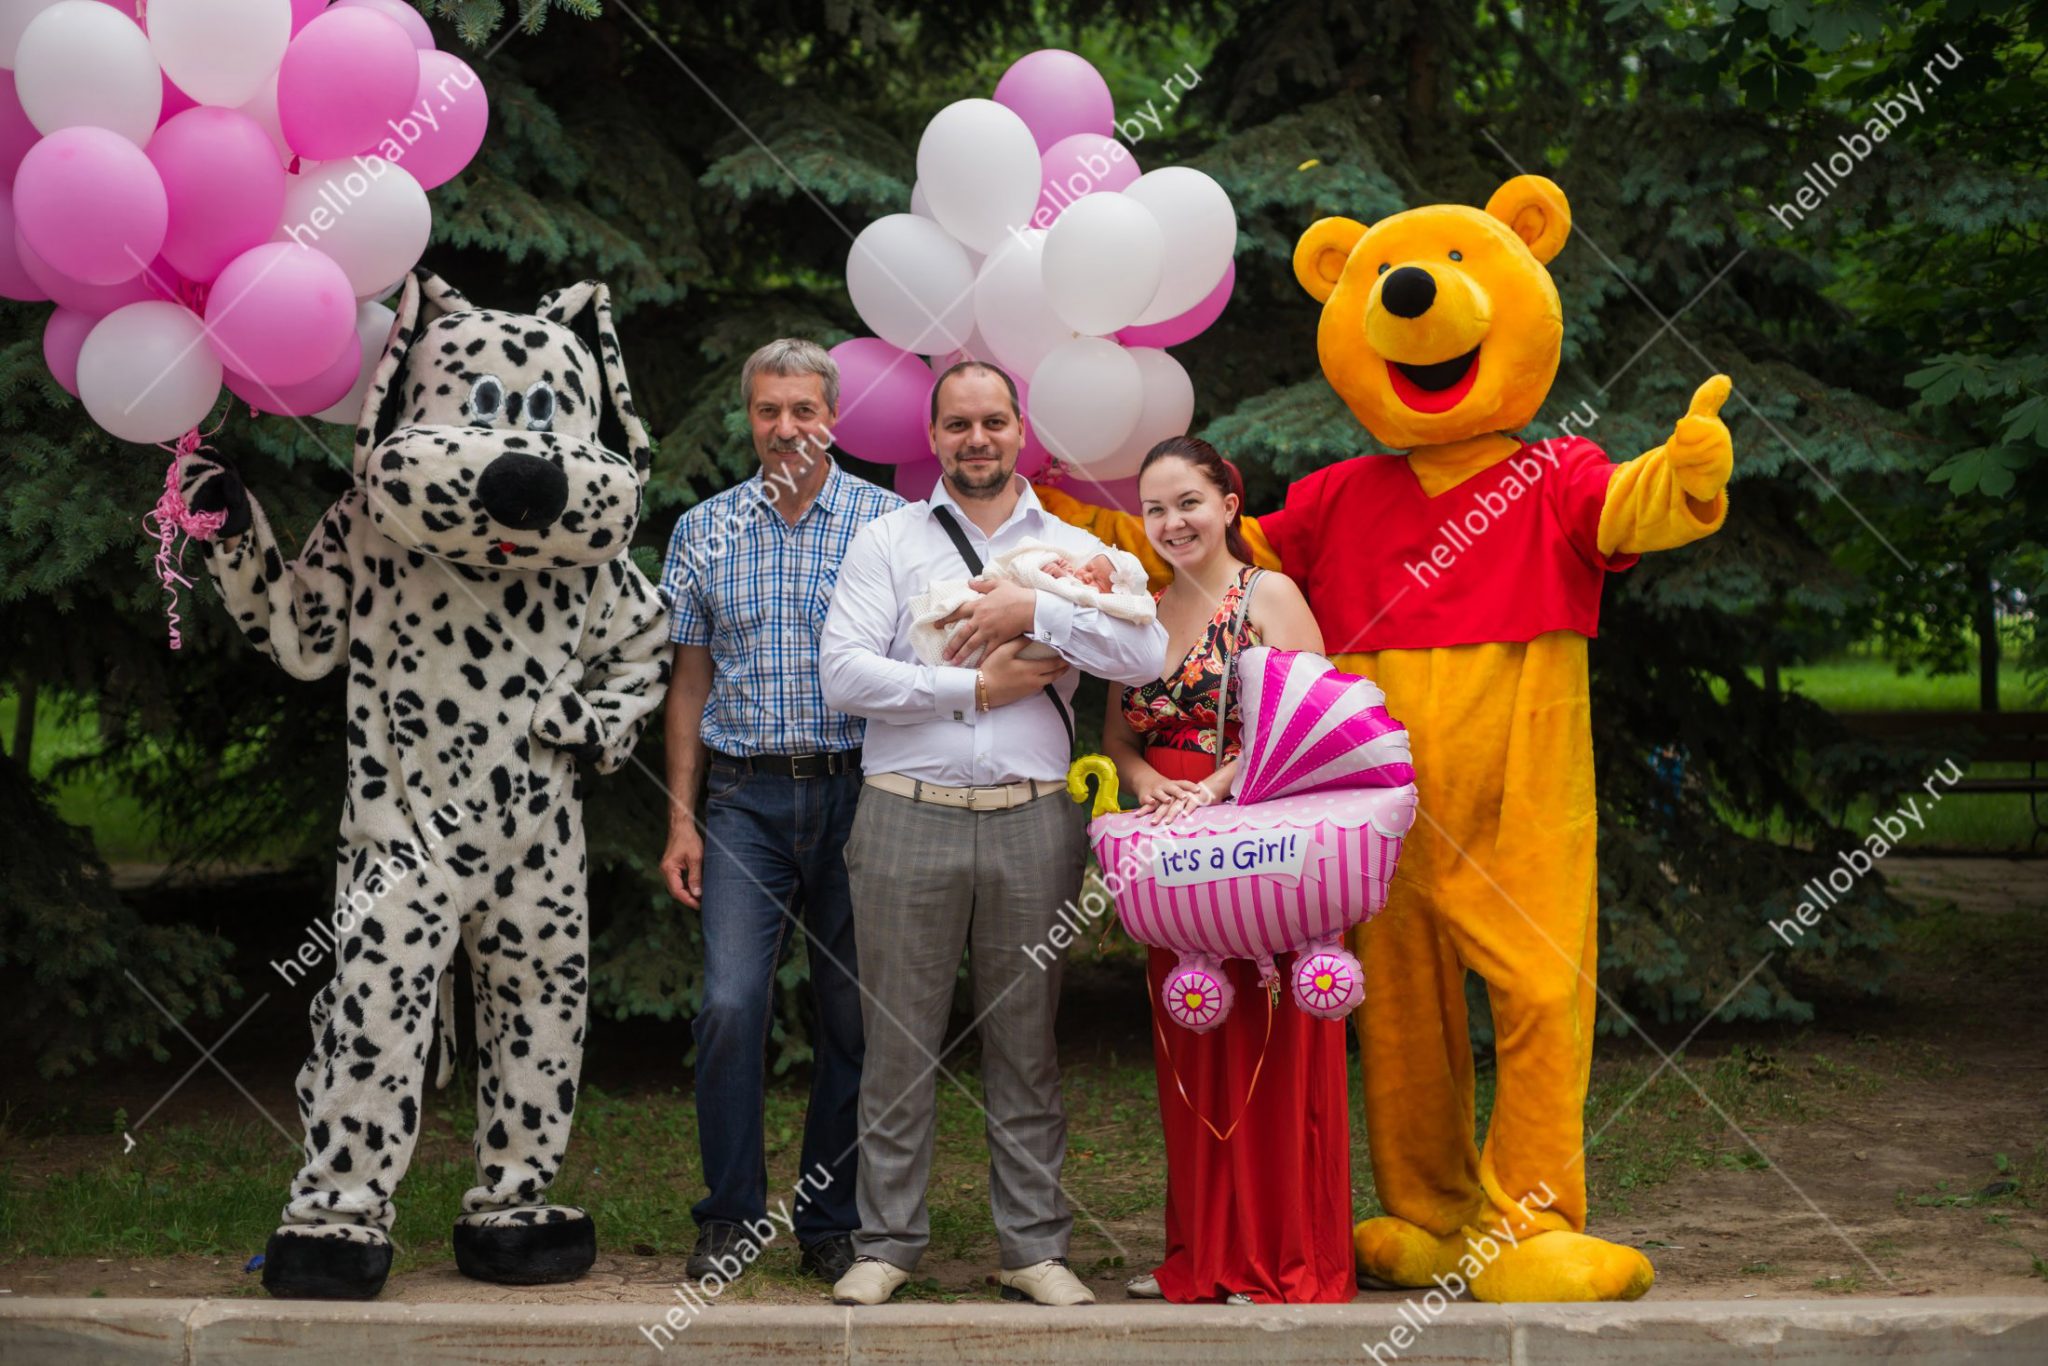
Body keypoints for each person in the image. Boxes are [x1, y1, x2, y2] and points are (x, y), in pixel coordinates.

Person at [816, 360, 1168, 1307]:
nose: (978, 440)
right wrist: (972, 685)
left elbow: (1143, 648)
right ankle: (886, 1245)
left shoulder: (1071, 545)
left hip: (1031, 823)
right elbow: (843, 676)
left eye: (994, 422)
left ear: (1022, 433)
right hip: (903, 814)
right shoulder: (884, 542)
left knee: (1027, 1043)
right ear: (932, 438)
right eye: (959, 424)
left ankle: (1034, 1250)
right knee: (897, 1041)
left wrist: (1036, 610)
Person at [659, 338, 904, 1286]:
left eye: (804, 409)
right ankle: (728, 1214)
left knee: (851, 1015)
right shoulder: (704, 530)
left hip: (860, 790)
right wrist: (682, 819)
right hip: (744, 798)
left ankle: (829, 1219)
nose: (787, 428)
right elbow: (688, 683)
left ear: (832, 416)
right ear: (749, 417)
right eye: (770, 411)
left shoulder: (887, 524)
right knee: (729, 1005)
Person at [1098, 436, 1354, 1305]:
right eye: (1156, 508)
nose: (1172, 522)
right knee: (1195, 1042)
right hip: (1171, 854)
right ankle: (1204, 1254)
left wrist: (1209, 788)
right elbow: (1119, 739)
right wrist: (1145, 788)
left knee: (1273, 1045)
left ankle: (1278, 1258)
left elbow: (1313, 723)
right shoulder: (1139, 612)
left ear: (1230, 504)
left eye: (1188, 503)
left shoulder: (1269, 595)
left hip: (1265, 841)